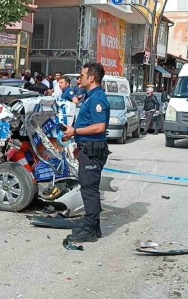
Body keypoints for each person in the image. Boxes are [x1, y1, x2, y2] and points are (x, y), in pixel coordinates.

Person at [62, 63, 110, 243]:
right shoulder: (90, 97)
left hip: (93, 150)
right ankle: (94, 227)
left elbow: (99, 126)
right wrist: (75, 137)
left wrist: (75, 132)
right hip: (87, 147)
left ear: (91, 78)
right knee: (89, 188)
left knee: (89, 190)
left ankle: (89, 229)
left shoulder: (97, 98)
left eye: (81, 76)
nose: (78, 79)